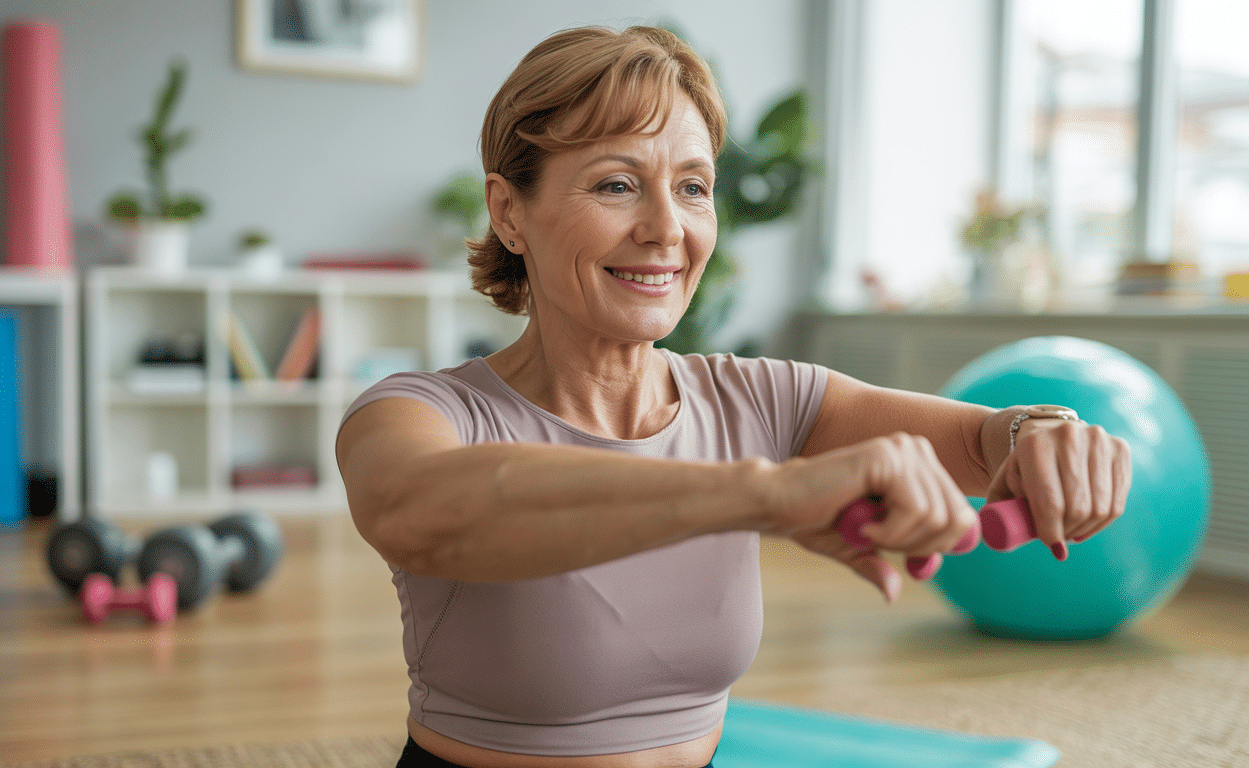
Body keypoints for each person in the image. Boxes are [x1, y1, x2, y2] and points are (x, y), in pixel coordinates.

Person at [335, 24, 1131, 768]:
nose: (665, 229)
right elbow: (416, 510)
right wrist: (765, 494)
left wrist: (1044, 431)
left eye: (692, 187)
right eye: (617, 185)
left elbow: (981, 441)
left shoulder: (761, 399)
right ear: (510, 212)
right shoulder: (422, 412)